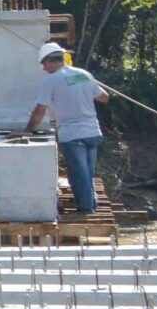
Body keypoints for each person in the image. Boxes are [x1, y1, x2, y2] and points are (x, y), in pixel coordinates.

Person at [25, 42, 109, 215]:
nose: (43, 68)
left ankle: (87, 209)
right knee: (87, 172)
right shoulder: (84, 74)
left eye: (44, 63)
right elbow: (104, 97)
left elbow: (39, 111)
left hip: (72, 135)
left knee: (80, 174)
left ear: (51, 61)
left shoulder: (51, 80)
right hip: (93, 132)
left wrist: (27, 130)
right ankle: (90, 203)